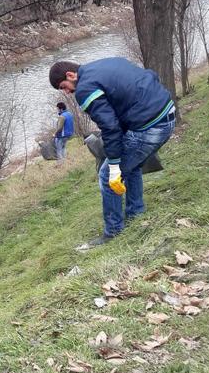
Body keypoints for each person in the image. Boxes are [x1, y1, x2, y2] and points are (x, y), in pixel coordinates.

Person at [49, 57, 176, 247]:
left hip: (151, 126)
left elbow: (110, 128)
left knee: (108, 175)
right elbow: (148, 76)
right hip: (165, 110)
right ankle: (135, 212)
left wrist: (115, 164)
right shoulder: (106, 64)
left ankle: (113, 232)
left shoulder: (84, 89)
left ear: (70, 75)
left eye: (64, 86)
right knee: (131, 165)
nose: (66, 92)